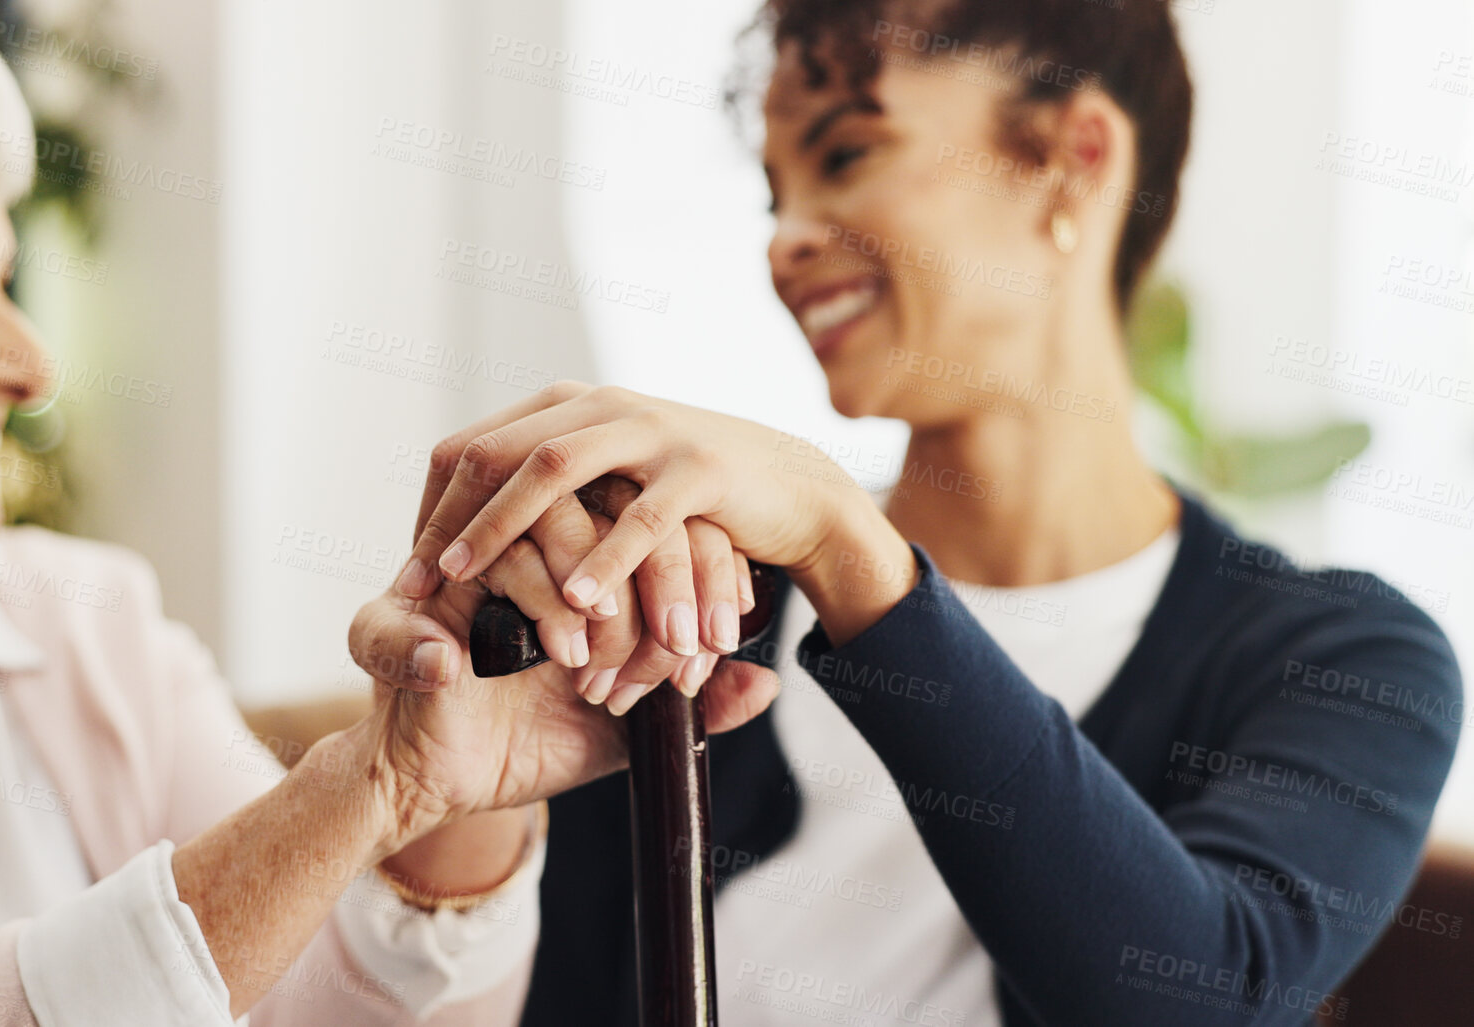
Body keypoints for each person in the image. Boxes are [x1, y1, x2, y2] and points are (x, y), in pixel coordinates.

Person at [0, 1, 777, 1023]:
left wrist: (446, 800)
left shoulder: (77, 622)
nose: (28, 365)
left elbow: (338, 1012)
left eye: (5, 280)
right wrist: (357, 791)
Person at [367, 0, 1465, 1024]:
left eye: (847, 154)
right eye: (773, 192)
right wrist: (455, 755)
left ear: (1072, 160)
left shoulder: (1345, 656)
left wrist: (848, 542)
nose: (786, 238)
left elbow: (1200, 993)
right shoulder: (700, 608)